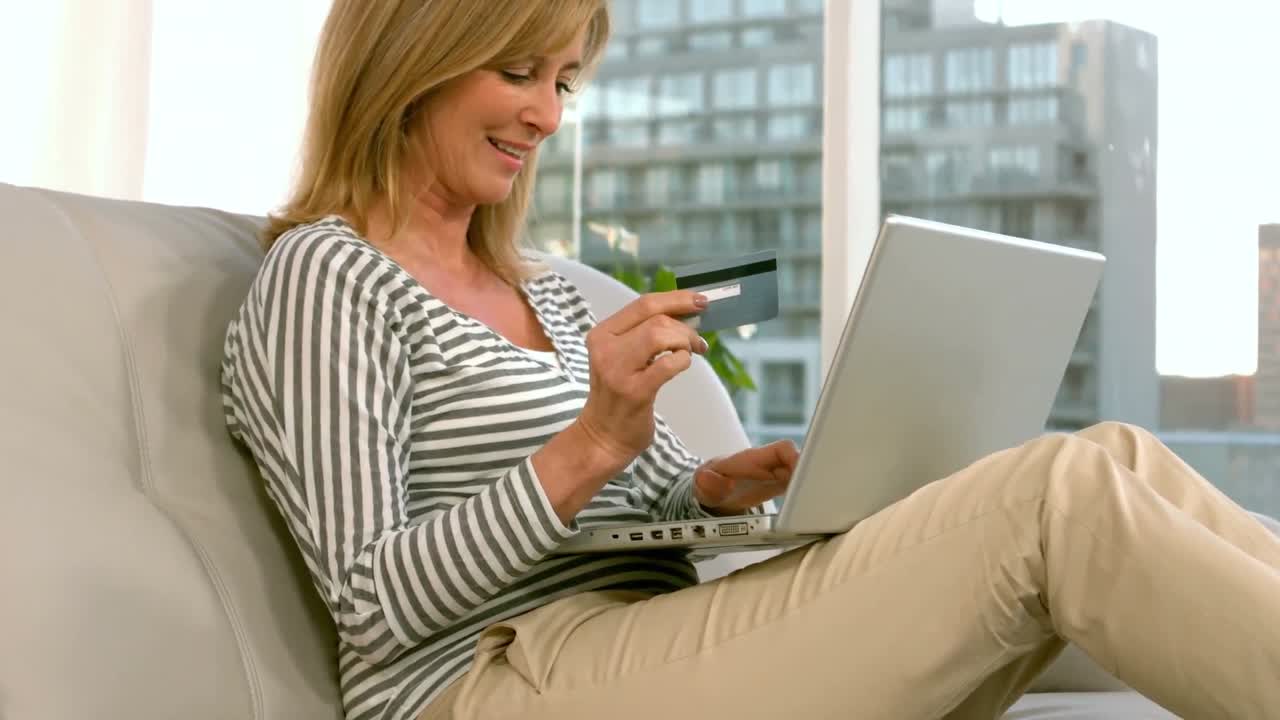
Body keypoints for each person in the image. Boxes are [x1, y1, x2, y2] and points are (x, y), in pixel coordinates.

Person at [219, 1, 1280, 718]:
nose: (546, 115)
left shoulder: (546, 289)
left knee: (1116, 453)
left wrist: (708, 488)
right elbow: (370, 602)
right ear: (410, 62)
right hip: (490, 681)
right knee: (1057, 498)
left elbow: (617, 498)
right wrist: (590, 442)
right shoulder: (329, 274)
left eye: (565, 83)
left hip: (646, 629)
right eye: (518, 72)